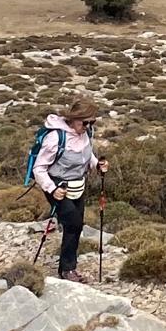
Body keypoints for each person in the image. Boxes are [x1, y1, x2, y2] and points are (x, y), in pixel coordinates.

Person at [31, 99, 109, 282]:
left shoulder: (86, 133)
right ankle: (67, 269)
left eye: (92, 122)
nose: (88, 126)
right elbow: (39, 168)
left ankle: (68, 267)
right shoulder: (55, 138)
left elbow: (87, 155)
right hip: (57, 186)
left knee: (76, 224)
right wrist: (52, 189)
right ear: (73, 119)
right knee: (73, 223)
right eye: (85, 122)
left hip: (77, 186)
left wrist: (97, 165)